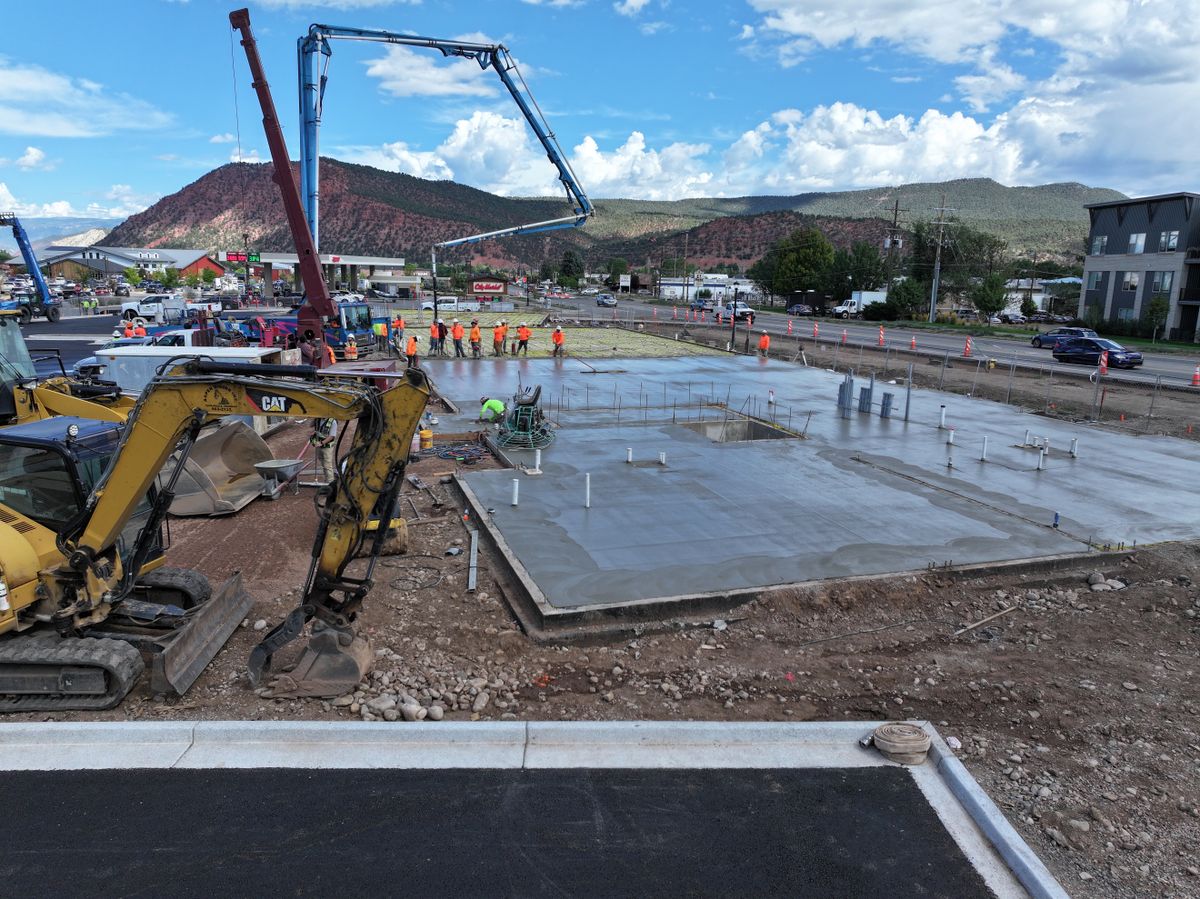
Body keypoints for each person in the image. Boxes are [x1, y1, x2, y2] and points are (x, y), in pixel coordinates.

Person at [310, 418, 338, 484]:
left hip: (327, 447)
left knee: (327, 465)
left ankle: (331, 483)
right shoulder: (318, 419)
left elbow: (332, 436)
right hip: (319, 445)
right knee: (323, 464)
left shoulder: (332, 422)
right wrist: (314, 418)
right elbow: (311, 425)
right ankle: (326, 481)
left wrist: (321, 443)